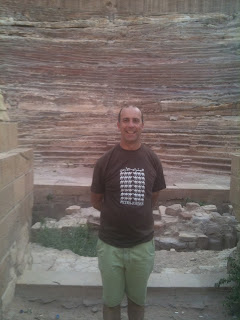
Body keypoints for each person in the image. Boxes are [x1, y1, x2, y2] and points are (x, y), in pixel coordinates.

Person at [91, 105, 166, 320]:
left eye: (135, 120)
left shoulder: (152, 160)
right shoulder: (104, 162)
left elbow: (153, 196)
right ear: (118, 125)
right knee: (111, 303)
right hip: (110, 246)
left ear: (142, 125)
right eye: (125, 120)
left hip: (142, 246)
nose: (130, 125)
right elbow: (96, 200)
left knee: (137, 303)